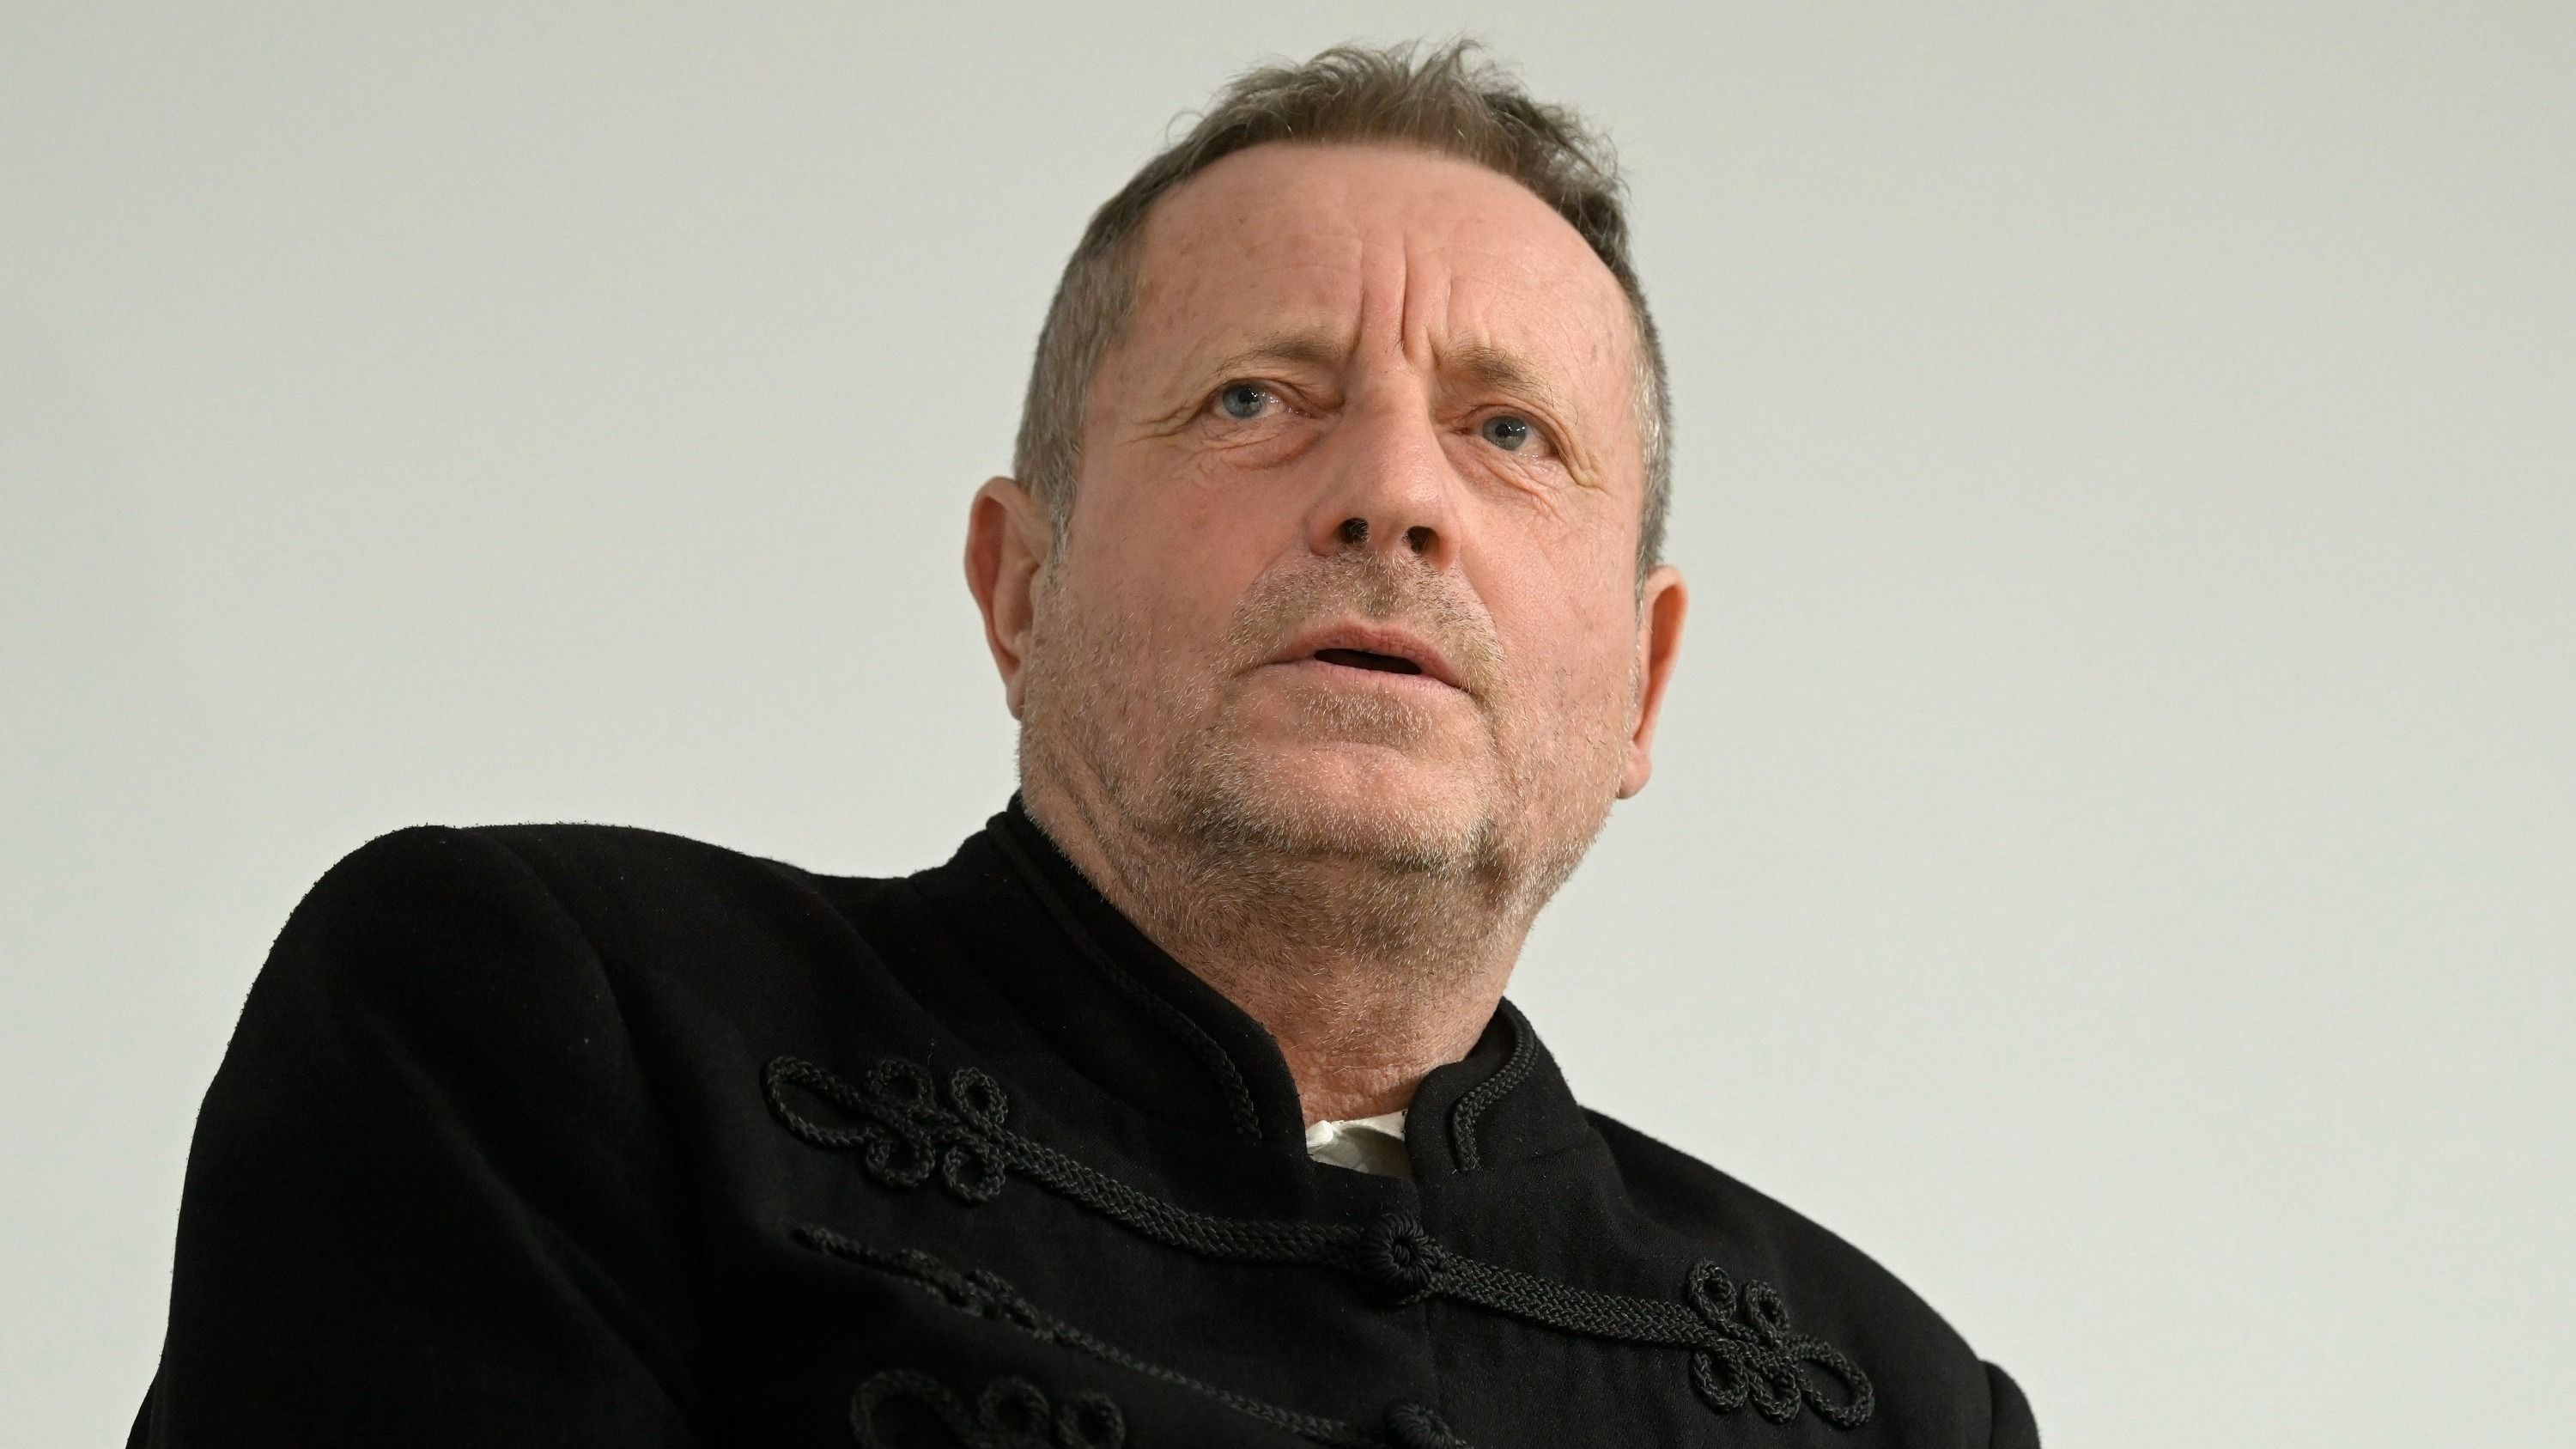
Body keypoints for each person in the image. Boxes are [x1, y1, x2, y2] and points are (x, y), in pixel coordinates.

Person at [131, 41, 2039, 1449]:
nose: (1392, 494)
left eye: (1511, 433)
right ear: (1020, 584)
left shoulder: (1903, 1404)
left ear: (1642, 682)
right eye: (1256, 399)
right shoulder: (547, 1029)